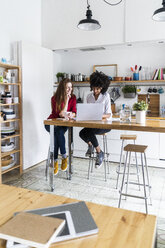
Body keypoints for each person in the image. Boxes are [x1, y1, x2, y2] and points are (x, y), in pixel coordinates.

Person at [79, 71, 112, 168]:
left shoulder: (106, 96)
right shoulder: (89, 97)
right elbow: (88, 111)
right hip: (93, 125)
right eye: (94, 88)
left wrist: (99, 116)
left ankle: (99, 152)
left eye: (98, 88)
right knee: (81, 133)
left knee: (88, 131)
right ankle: (92, 145)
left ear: (102, 87)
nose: (95, 90)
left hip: (105, 125)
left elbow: (108, 114)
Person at [45, 78, 76, 175]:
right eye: (67, 88)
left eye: (71, 88)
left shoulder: (73, 97)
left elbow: (74, 111)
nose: (70, 90)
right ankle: (64, 157)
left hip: (63, 124)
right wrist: (66, 100)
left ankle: (54, 161)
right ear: (62, 88)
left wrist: (72, 115)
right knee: (57, 132)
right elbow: (61, 113)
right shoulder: (54, 98)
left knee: (57, 134)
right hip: (51, 123)